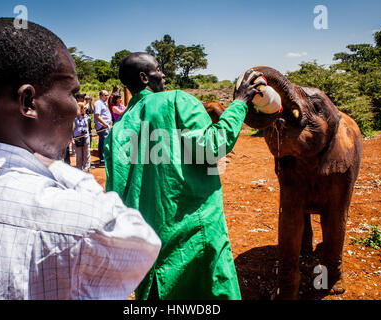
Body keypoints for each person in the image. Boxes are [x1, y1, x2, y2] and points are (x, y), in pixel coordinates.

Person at [0, 18, 160, 300]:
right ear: (28, 102)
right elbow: (141, 241)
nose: (76, 108)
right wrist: (51, 164)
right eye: (73, 93)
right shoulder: (81, 222)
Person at [104, 52, 265, 300]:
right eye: (159, 68)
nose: (164, 74)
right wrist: (240, 102)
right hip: (197, 238)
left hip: (149, 250)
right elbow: (212, 146)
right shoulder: (176, 101)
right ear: (145, 77)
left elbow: (116, 196)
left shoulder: (118, 130)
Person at [93, 90, 111, 164]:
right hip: (102, 127)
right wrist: (105, 124)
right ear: (101, 95)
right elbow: (97, 116)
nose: (107, 96)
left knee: (103, 142)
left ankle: (103, 158)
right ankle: (103, 159)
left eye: (107, 95)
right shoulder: (98, 103)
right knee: (104, 142)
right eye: (105, 95)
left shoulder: (104, 103)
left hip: (106, 126)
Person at [73, 102, 91, 172]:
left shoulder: (86, 116)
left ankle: (86, 169)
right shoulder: (74, 118)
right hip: (77, 138)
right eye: (83, 108)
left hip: (86, 137)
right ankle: (79, 169)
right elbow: (72, 129)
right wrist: (72, 139)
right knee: (79, 155)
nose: (84, 109)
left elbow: (87, 126)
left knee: (87, 153)